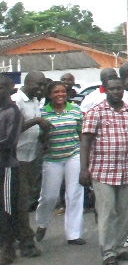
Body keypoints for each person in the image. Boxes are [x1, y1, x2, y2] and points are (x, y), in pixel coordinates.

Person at [79, 75, 128, 265]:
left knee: (124, 211)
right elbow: (86, 141)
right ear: (105, 90)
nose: (116, 91)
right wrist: (84, 169)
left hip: (126, 169)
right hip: (102, 171)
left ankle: (119, 247)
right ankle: (107, 252)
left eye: (119, 88)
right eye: (112, 88)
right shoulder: (96, 112)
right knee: (107, 211)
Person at [34, 81, 85, 246]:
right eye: (56, 92)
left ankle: (73, 234)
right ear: (49, 95)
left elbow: (82, 133)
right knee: (49, 196)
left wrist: (85, 156)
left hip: (73, 155)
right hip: (52, 158)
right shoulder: (42, 113)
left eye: (62, 92)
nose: (60, 95)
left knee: (74, 193)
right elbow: (39, 137)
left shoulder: (75, 110)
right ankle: (42, 223)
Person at [11, 71, 49, 258]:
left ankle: (17, 236)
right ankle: (26, 240)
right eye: (38, 85)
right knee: (21, 201)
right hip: (16, 158)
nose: (41, 89)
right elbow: (13, 129)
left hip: (31, 156)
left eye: (43, 86)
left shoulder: (35, 101)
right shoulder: (16, 101)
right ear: (28, 82)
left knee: (24, 200)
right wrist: (36, 121)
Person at [0, 74, 23, 265]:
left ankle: (8, 250)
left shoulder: (13, 112)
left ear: (10, 89)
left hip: (7, 166)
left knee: (7, 209)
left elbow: (9, 141)